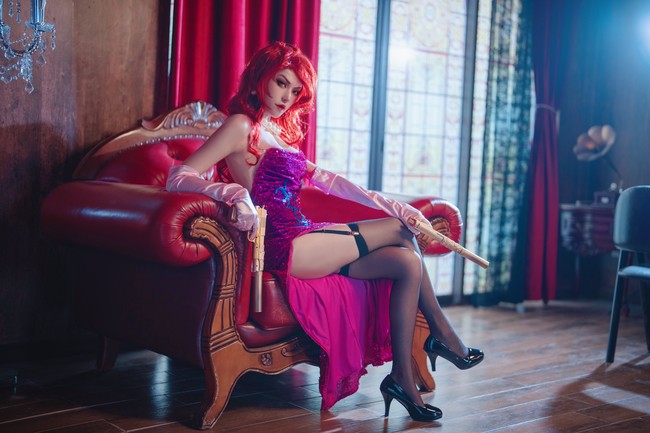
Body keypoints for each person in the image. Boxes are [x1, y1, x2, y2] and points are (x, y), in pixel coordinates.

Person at [166, 41, 483, 422]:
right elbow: (178, 176)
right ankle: (442, 334)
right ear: (260, 76)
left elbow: (330, 181)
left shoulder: (278, 133)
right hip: (283, 244)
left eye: (295, 90)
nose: (286, 97)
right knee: (401, 231)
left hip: (305, 234)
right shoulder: (240, 126)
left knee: (407, 263)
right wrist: (233, 193)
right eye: (281, 83)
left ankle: (402, 378)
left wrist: (394, 205)